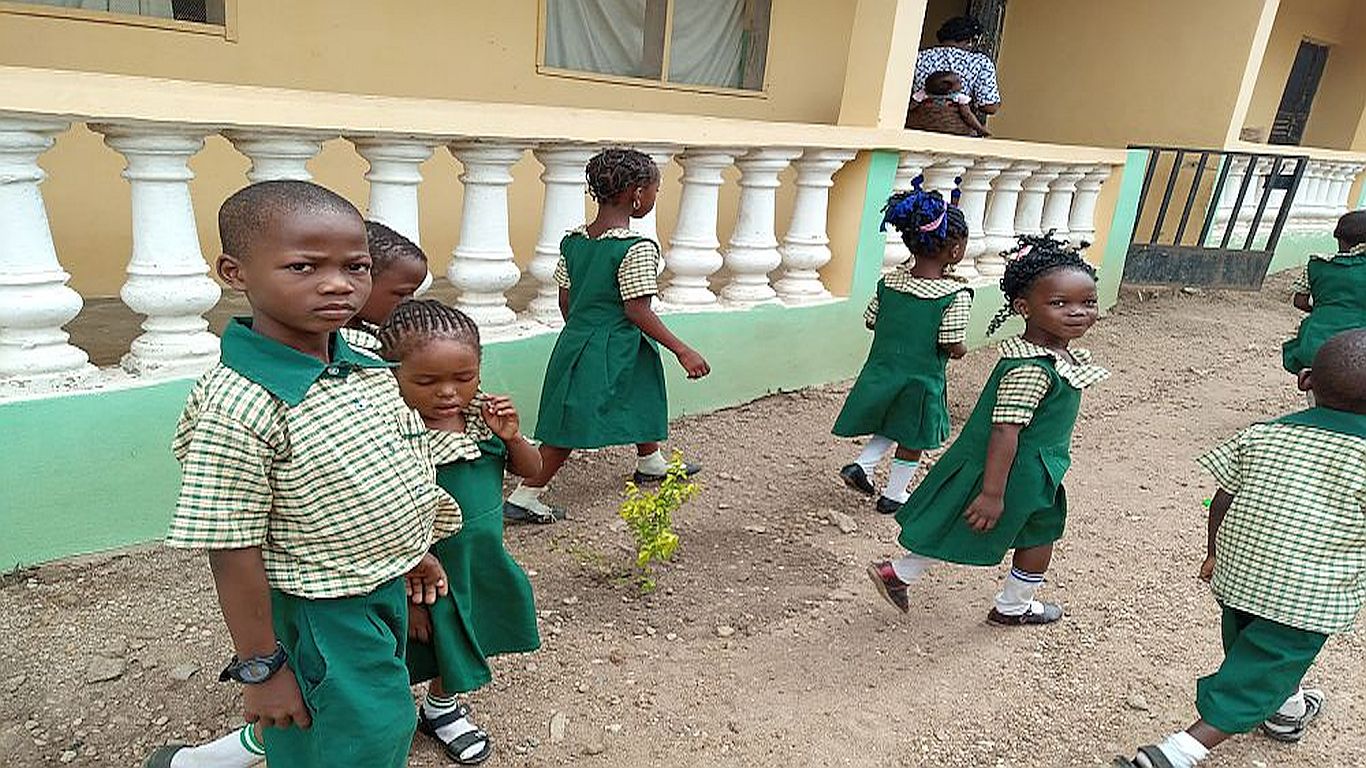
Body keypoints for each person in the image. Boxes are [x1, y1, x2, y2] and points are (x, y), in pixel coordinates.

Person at [143, 180, 460, 768]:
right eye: (303, 266)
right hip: (319, 607)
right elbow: (231, 546)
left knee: (344, 726)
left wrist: (411, 550)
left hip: (378, 586)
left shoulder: (365, 366)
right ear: (234, 273)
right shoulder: (239, 402)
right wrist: (261, 667)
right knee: (368, 733)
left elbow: (389, 473)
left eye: (355, 266)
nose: (338, 283)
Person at [1113, 329, 1366, 768]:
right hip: (1309, 594)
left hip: (1242, 574)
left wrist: (1213, 552)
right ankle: (1175, 753)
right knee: (1260, 670)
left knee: (1256, 650)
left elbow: (1223, 498)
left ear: (1305, 380)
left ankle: (1285, 712)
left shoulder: (1262, 434)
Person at [866, 233, 1108, 625]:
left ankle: (913, 577)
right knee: (1008, 527)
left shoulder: (1051, 356)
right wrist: (993, 493)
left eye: (1088, 302)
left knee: (1025, 529)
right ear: (1023, 307)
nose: (1078, 312)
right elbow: (1005, 430)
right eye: (1059, 303)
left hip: (1031, 468)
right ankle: (1004, 604)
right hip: (1015, 470)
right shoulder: (1032, 369)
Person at [504, 147, 711, 524]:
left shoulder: (573, 242)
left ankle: (650, 461)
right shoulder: (637, 249)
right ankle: (526, 495)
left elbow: (565, 299)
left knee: (641, 394)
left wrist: (583, 332)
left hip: (581, 338)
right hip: (615, 343)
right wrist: (682, 350)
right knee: (571, 422)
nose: (654, 197)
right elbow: (637, 309)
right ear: (637, 194)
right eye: (655, 190)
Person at [376, 299, 543, 765]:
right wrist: (409, 594)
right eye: (426, 381)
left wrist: (512, 437)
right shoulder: (392, 435)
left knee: (467, 636)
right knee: (410, 647)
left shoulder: (482, 422)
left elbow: (531, 469)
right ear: (391, 376)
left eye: (464, 377)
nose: (448, 392)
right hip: (419, 573)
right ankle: (389, 719)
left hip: (477, 561)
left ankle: (441, 708)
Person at [834, 180, 973, 515]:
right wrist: (961, 350)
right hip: (921, 379)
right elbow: (950, 341)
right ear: (955, 252)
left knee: (890, 420)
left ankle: (863, 465)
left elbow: (871, 320)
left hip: (884, 368)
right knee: (913, 436)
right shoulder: (954, 295)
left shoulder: (890, 283)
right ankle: (895, 494)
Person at [1282, 210, 1366, 403]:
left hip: (1317, 343)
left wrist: (1324, 309)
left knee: (1319, 394)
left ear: (1339, 240)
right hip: (1359, 346)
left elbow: (1300, 301)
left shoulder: (1317, 264)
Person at [339, 220, 429, 353]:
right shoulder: (341, 350)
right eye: (402, 294)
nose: (410, 302)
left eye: (412, 293)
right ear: (359, 282)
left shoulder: (377, 336)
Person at [913, 16, 1001, 121]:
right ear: (969, 40)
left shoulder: (918, 57)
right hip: (955, 126)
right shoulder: (980, 62)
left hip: (919, 123)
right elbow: (990, 107)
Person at [905, 70, 991, 137]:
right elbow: (967, 115)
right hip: (952, 130)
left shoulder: (922, 93)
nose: (962, 83)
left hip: (925, 128)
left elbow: (911, 106)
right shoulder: (960, 97)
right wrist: (979, 129)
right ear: (950, 90)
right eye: (959, 82)